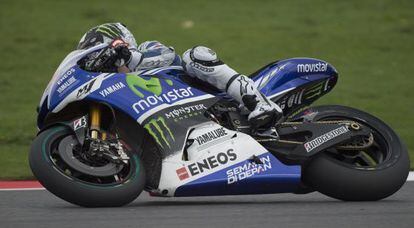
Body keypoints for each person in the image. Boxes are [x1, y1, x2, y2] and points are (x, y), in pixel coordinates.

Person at [76, 22, 282, 128]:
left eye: (98, 49)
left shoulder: (147, 48)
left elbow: (167, 55)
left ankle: (259, 103)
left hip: (207, 97)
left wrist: (125, 55)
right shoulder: (114, 87)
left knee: (194, 55)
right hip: (178, 122)